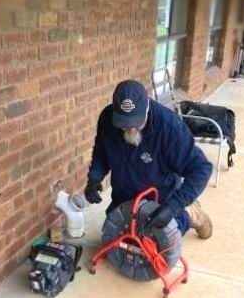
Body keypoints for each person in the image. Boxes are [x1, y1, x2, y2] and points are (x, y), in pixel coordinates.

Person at [84, 79, 213, 239]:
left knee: (156, 244)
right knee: (117, 239)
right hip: (125, 198)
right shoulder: (107, 119)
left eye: (135, 122)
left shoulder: (169, 128)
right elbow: (101, 150)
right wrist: (94, 178)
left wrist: (174, 206)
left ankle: (191, 213)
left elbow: (201, 168)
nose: (130, 128)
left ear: (147, 108)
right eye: (124, 123)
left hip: (161, 202)